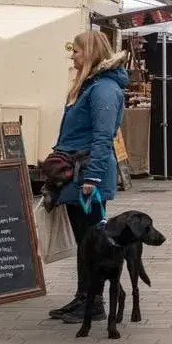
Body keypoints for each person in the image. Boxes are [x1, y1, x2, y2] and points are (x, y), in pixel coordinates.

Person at [48, 31, 128, 324]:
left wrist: (92, 178)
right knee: (85, 243)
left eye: (78, 51)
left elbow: (103, 136)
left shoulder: (104, 89)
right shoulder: (90, 86)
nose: (73, 56)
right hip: (76, 172)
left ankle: (93, 302)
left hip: (87, 176)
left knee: (93, 242)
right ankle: (84, 297)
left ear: (91, 53)